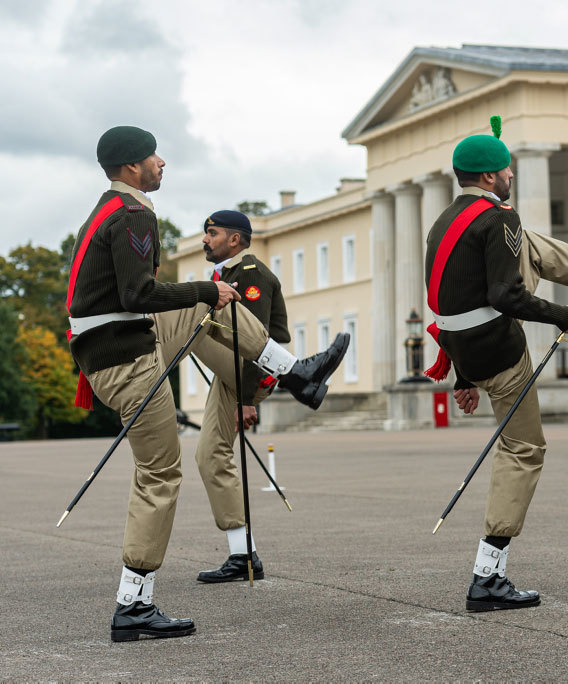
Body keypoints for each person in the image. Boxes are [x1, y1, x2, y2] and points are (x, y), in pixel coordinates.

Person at [67, 126, 349, 641]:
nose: (162, 162)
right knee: (160, 474)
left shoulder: (105, 210)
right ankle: (133, 606)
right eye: (154, 156)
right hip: (125, 357)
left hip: (111, 348)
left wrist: (205, 291)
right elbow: (136, 293)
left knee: (206, 301)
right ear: (133, 167)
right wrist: (206, 287)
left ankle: (296, 373)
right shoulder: (134, 213)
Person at [424, 117, 568, 612]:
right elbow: (504, 294)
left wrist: (463, 373)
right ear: (490, 176)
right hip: (499, 349)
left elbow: (450, 296)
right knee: (525, 449)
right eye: (506, 169)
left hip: (466, 347)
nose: (511, 174)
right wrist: (562, 315)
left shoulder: (444, 222)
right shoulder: (497, 218)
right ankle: (487, 576)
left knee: (530, 245)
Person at [191, 210, 349, 583]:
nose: (205, 240)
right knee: (209, 456)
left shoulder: (251, 276)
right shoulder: (223, 277)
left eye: (212, 233)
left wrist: (247, 398)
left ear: (235, 239)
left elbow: (254, 340)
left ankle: (300, 374)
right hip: (233, 375)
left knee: (188, 313)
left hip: (250, 376)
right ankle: (242, 555)